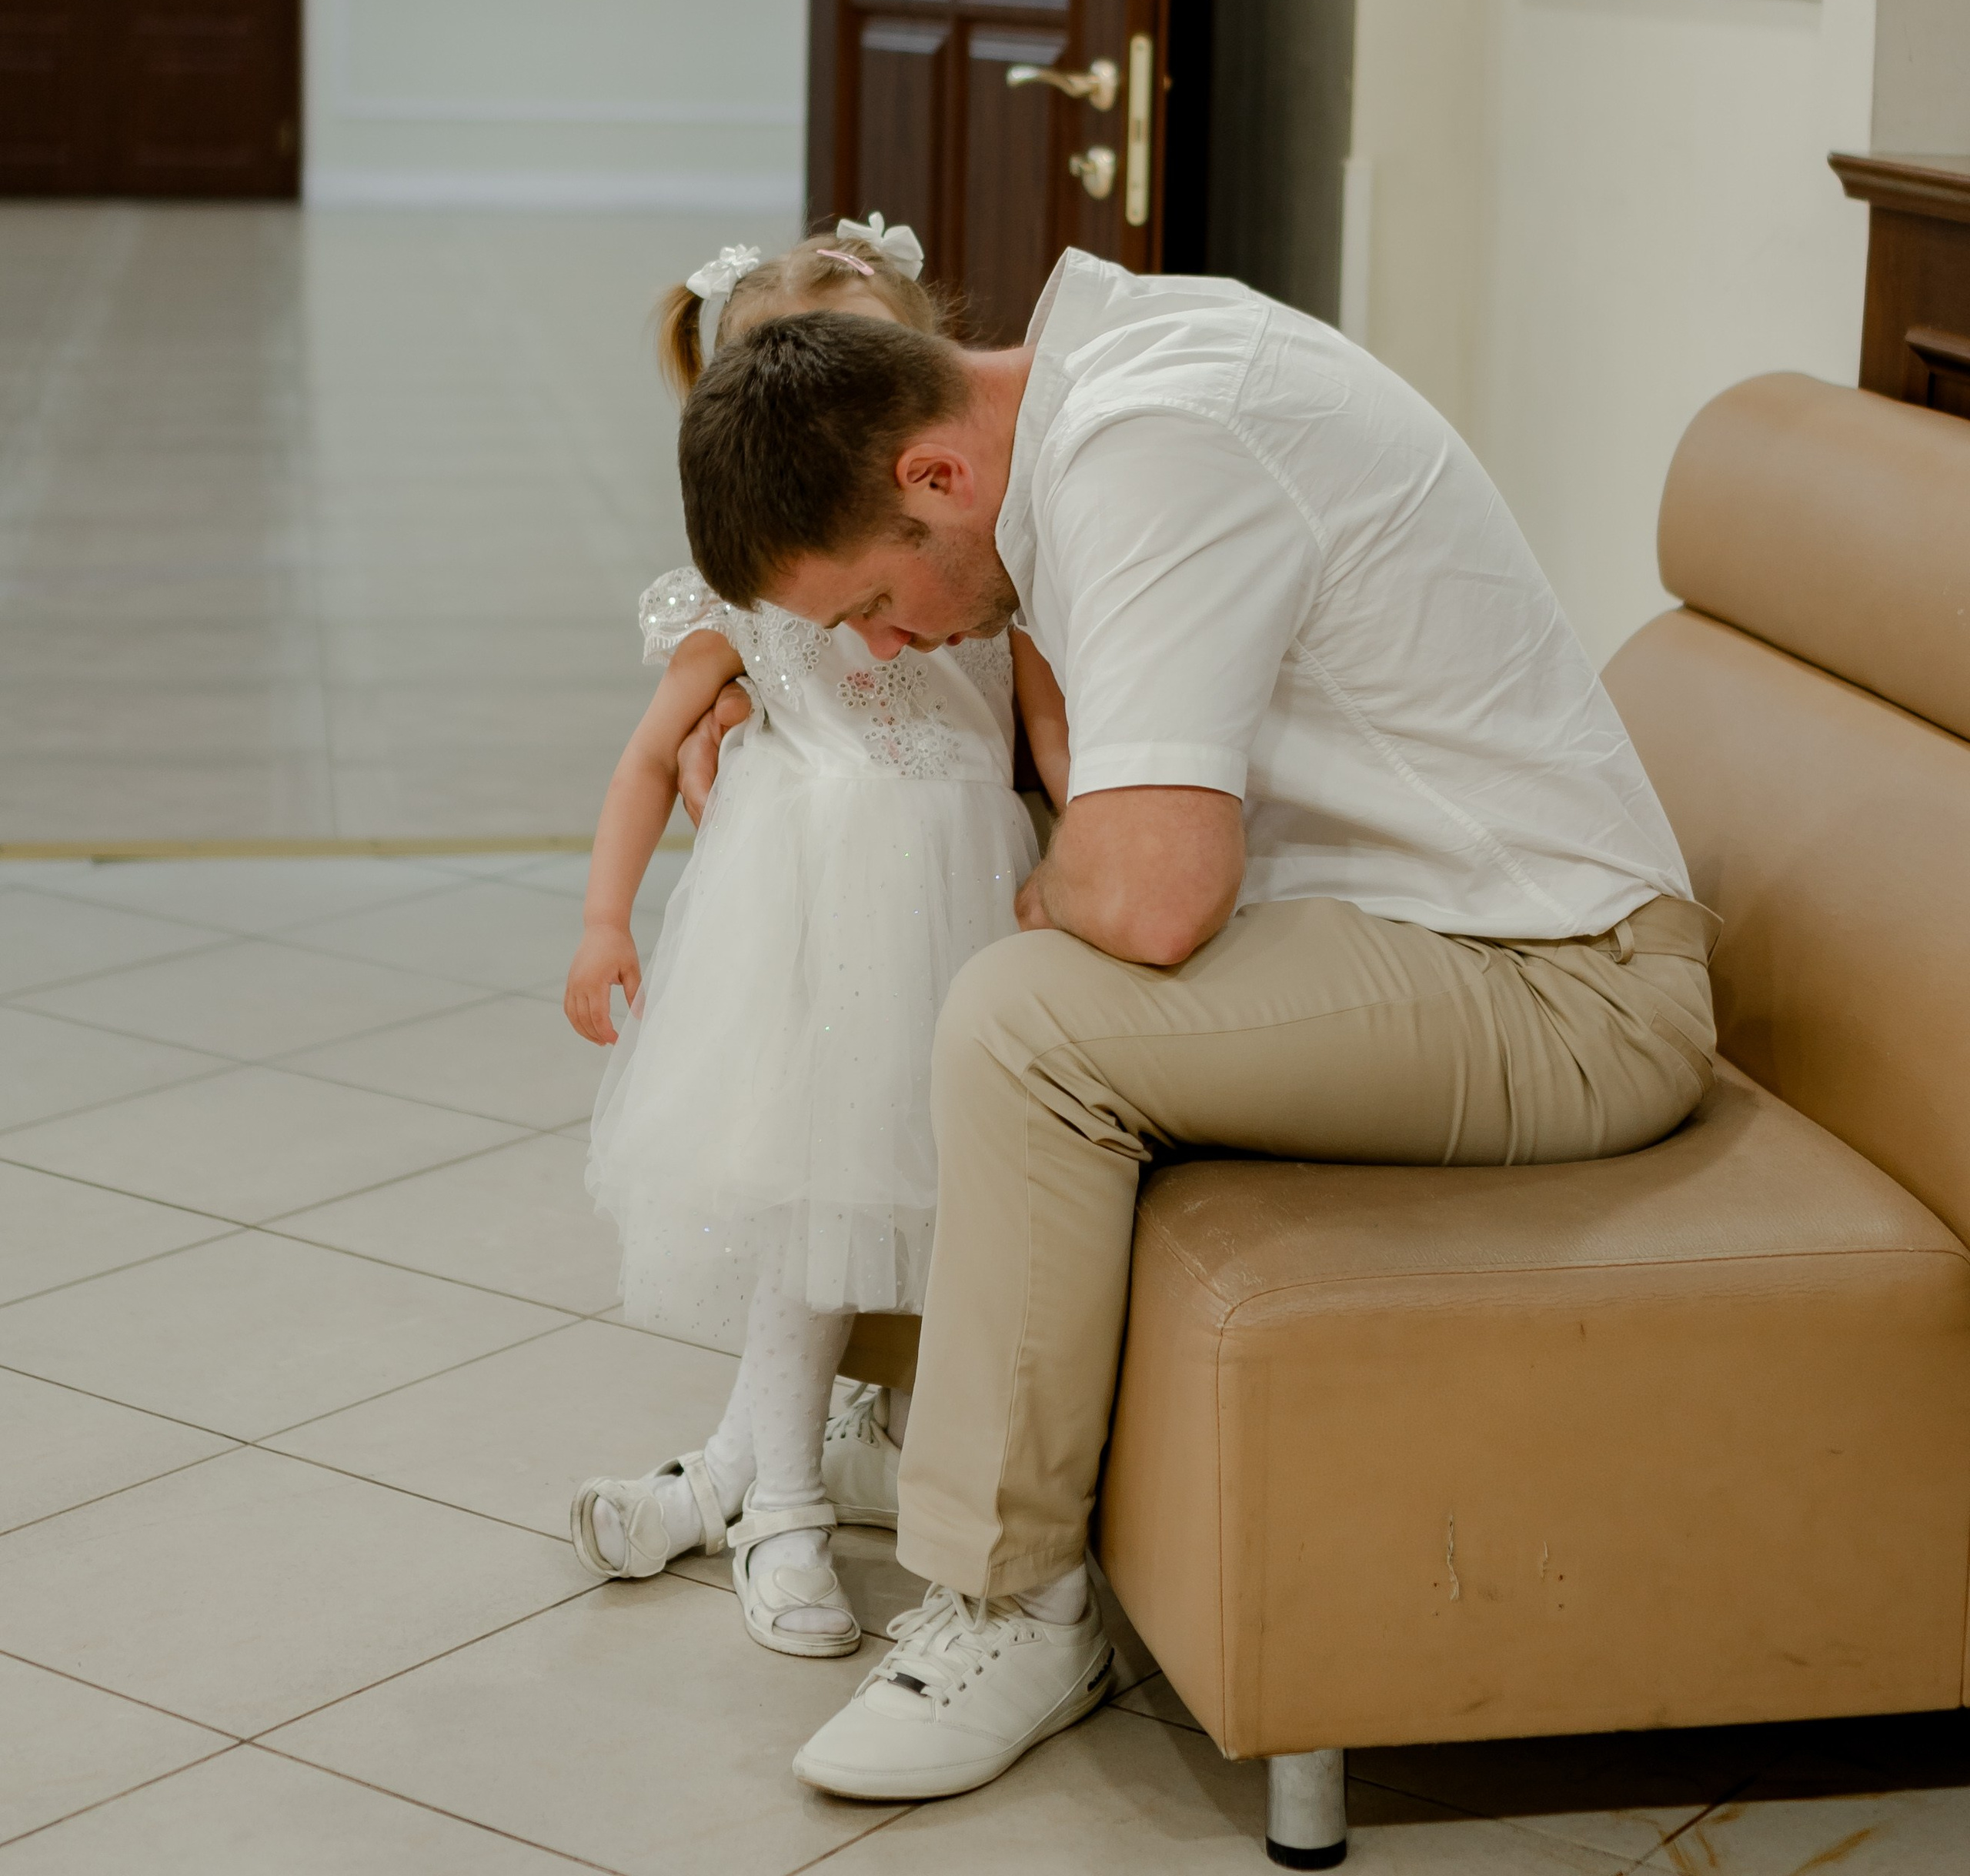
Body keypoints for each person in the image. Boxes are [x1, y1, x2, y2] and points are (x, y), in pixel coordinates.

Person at [673, 247, 1717, 1801]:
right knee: (1018, 964)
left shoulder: (1154, 445)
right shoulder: (1102, 381)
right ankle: (954, 1460)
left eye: (877, 605)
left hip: (1562, 980)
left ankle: (1013, 1607)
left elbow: (1151, 896)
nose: (885, 651)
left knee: (1024, 1023)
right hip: (1427, 929)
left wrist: (1071, 888)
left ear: (936, 472)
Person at [563, 221, 1068, 1664]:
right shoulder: (744, 606)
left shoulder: (992, 565)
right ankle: (776, 1499)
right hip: (799, 911)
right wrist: (606, 919)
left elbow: (1047, 729)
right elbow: (648, 758)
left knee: (878, 1208)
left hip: (951, 903)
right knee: (815, 1196)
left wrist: (1085, 850)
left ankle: (741, 1471)